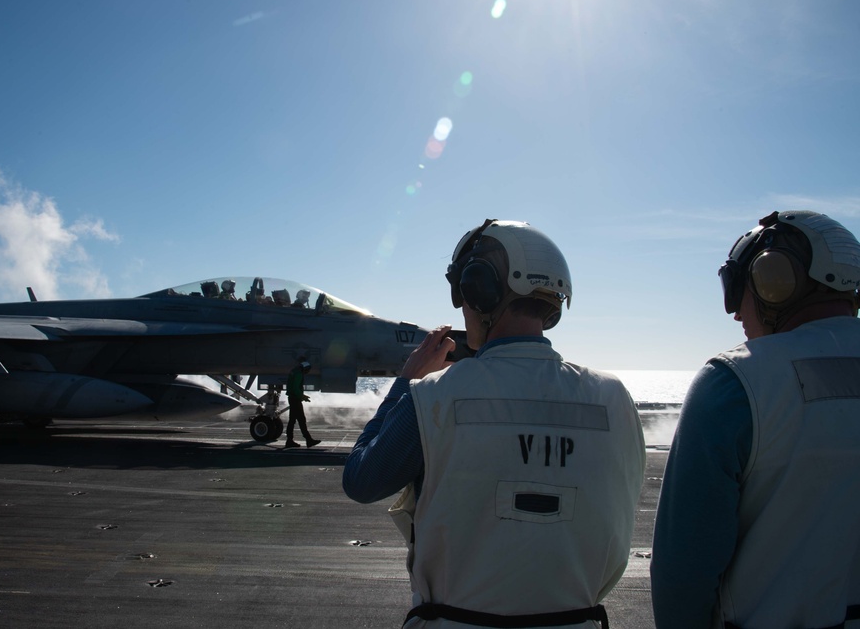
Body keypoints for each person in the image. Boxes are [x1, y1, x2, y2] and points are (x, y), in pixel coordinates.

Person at [342, 219, 646, 628]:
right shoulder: (614, 399)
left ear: (478, 290)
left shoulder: (434, 396)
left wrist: (407, 383)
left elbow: (361, 480)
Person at [651, 210, 860, 629]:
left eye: (735, 291)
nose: (735, 314)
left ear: (772, 279)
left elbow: (684, 570)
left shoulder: (734, 382)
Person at [284, 359, 320, 448]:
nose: (307, 372)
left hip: (292, 398)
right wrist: (302, 397)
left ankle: (290, 440)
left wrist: (302, 396)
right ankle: (308, 440)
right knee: (301, 420)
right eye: (307, 370)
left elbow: (293, 387)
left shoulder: (294, 371)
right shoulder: (299, 374)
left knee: (292, 420)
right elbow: (296, 388)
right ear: (305, 368)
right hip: (295, 400)